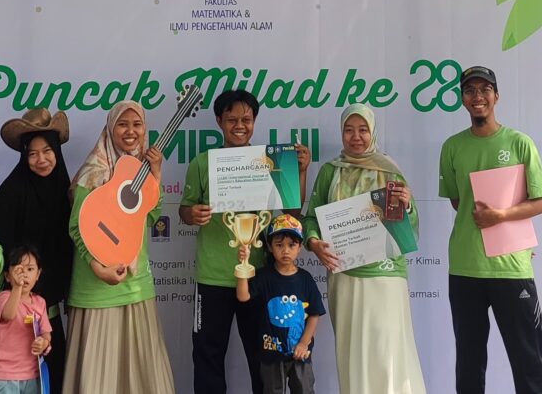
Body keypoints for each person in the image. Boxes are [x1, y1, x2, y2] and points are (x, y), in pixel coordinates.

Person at [179, 89, 311, 394]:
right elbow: (185, 210)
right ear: (219, 121)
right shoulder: (202, 163)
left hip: (259, 277)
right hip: (212, 277)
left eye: (246, 119)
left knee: (263, 356)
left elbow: (292, 214)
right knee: (208, 355)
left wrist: (301, 172)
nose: (240, 126)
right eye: (232, 120)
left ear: (254, 121)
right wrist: (192, 214)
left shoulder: (272, 161)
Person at [438, 66, 542, 394]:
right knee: (469, 362)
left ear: (496, 96)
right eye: (470, 90)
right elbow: (459, 202)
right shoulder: (452, 147)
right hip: (465, 268)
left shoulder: (519, 143)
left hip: (511, 267)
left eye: (485, 89)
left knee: (529, 361)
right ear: (463, 99)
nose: (478, 97)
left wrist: (501, 216)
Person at [302, 103, 426, 394]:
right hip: (344, 276)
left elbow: (410, 229)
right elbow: (311, 219)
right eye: (349, 130)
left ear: (373, 132)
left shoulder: (390, 171)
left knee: (388, 352)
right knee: (352, 353)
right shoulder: (330, 171)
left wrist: (407, 205)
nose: (356, 137)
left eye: (362, 130)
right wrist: (314, 243)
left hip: (386, 276)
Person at [62, 100, 174, 394]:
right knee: (99, 376)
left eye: (137, 125)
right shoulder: (92, 173)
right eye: (122, 124)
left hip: (135, 284)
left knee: (140, 372)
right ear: (110, 129)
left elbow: (151, 216)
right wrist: (98, 267)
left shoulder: (142, 172)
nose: (130, 131)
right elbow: (77, 227)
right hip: (95, 287)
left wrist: (156, 173)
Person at [0, 108, 74, 394]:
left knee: (48, 377)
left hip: (44, 303)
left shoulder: (64, 190)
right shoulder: (13, 189)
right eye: (32, 154)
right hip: (7, 305)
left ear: (57, 152)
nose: (41, 159)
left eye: (47, 151)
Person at [236, 214, 325, 394]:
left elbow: (314, 314)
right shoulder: (263, 276)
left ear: (300, 247)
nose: (285, 251)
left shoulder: (305, 279)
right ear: (269, 247)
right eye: (279, 245)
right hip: (270, 353)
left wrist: (304, 343)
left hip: (300, 353)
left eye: (291, 245)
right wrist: (243, 266)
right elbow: (243, 296)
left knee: (304, 389)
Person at [0, 245, 51, 394]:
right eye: (19, 270)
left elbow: (46, 333)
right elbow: (9, 314)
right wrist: (17, 287)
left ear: (38, 274)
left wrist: (43, 343)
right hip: (5, 376)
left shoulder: (40, 302)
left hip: (33, 375)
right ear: (7, 276)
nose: (25, 275)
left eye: (30, 269)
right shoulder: (4, 297)